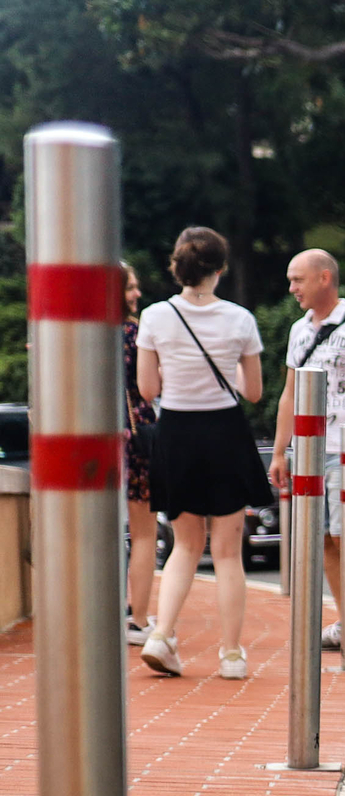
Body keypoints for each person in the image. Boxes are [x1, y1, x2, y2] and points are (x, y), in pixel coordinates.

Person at [135, 227, 270, 679]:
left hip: (175, 431)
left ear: (178, 266)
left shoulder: (155, 316)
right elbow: (253, 392)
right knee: (228, 552)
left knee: (185, 546)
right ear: (220, 268)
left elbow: (148, 388)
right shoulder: (239, 320)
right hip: (225, 432)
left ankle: (162, 634)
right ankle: (231, 655)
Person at [267, 249, 345, 654]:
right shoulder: (299, 330)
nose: (292, 288)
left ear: (323, 278)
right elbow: (289, 395)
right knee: (324, 542)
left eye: (297, 279)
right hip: (310, 451)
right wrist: (281, 452)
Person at [119, 263, 157, 645]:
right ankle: (139, 619)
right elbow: (149, 388)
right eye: (130, 287)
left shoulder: (75, 337)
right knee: (144, 532)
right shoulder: (135, 334)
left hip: (87, 441)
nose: (136, 294)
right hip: (135, 436)